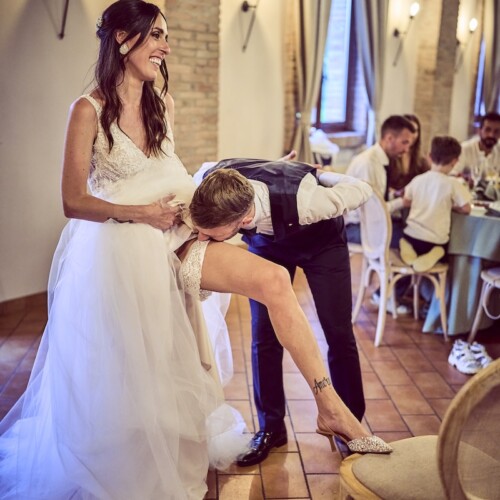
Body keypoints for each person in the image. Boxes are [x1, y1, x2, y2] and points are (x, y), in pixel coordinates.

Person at [0, 1, 391, 498]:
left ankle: (331, 408)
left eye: (166, 36)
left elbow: (176, 173)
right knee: (141, 365)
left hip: (182, 231)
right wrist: (144, 214)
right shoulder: (87, 110)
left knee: (274, 280)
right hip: (125, 248)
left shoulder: (160, 102)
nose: (165, 47)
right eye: (156, 35)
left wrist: (261, 172)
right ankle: (134, 451)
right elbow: (73, 201)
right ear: (122, 37)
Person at [191, 159, 373, 466]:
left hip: (322, 245)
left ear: (245, 219)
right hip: (268, 246)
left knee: (338, 333)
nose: (202, 239)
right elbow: (210, 167)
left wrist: (320, 175)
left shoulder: (309, 200)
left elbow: (362, 189)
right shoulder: (209, 178)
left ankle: (349, 422)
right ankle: (271, 428)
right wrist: (278, 164)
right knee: (263, 336)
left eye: (211, 235)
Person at [399, 136, 472, 273]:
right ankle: (436, 253)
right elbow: (466, 208)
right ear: (455, 161)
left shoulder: (418, 180)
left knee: (406, 239)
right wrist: (451, 206)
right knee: (442, 249)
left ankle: (408, 249)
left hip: (411, 235)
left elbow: (406, 201)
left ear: (429, 156)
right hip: (435, 241)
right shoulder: (453, 184)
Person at [344, 115, 416, 248]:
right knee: (410, 239)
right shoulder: (368, 163)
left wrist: (394, 195)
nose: (406, 150)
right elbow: (372, 212)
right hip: (356, 227)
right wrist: (401, 202)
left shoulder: (380, 160)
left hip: (368, 224)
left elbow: (377, 196)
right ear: (389, 138)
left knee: (409, 229)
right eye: (404, 142)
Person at [386, 114, 430, 194]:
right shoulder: (390, 155)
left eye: (415, 131)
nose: (412, 135)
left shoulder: (421, 160)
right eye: (409, 130)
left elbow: (427, 182)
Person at [450, 112, 500, 182]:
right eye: (487, 130)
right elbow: (452, 175)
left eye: (496, 131)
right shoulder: (464, 149)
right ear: (479, 131)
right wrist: (463, 179)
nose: (491, 135)